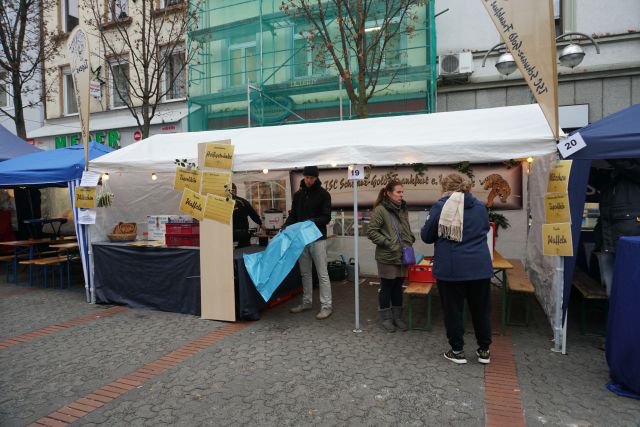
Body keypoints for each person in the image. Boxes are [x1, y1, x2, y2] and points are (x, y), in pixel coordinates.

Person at [421, 173, 493, 365]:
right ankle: (484, 350)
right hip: (479, 266)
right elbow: (484, 229)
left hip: (451, 268)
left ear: (444, 188)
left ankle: (457, 350)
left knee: (453, 311)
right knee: (481, 310)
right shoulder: (479, 207)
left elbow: (426, 236)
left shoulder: (441, 206)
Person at [285, 166, 333, 320]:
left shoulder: (324, 194)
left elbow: (326, 217)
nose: (309, 180)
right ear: (304, 177)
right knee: (305, 273)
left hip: (317, 238)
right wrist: (285, 226)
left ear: (316, 178)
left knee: (322, 274)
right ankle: (307, 302)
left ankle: (326, 306)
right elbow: (293, 216)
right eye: (306, 177)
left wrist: (312, 221)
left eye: (311, 178)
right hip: (302, 239)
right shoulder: (298, 194)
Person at [367, 179, 415, 332]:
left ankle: (397, 317)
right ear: (388, 193)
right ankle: (386, 318)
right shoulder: (380, 210)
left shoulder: (402, 208)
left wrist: (410, 238)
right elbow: (371, 232)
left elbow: (405, 227)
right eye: (398, 192)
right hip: (387, 256)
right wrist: (389, 243)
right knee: (387, 287)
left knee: (398, 287)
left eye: (402, 192)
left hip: (402, 255)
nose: (401, 195)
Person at [232, 183, 262, 248]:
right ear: (235, 191)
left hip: (228, 232)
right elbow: (253, 214)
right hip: (243, 232)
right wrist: (261, 223)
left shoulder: (223, 202)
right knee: (244, 250)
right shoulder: (243, 201)